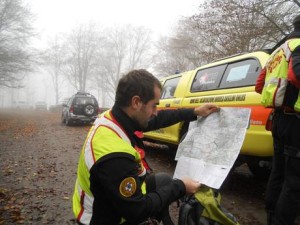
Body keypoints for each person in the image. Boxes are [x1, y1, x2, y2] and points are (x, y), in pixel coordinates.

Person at [72, 69, 219, 225]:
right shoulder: (115, 156)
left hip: (108, 201)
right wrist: (181, 186)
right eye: (154, 106)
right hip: (103, 219)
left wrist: (194, 112)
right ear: (136, 102)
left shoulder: (113, 117)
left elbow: (158, 119)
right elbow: (138, 211)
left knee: (163, 180)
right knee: (171, 187)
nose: (156, 112)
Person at [255, 15, 300, 225]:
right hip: (295, 121)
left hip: (279, 119)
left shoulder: (277, 51)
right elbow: (297, 75)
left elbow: (259, 85)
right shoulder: (298, 45)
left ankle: (271, 216)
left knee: (278, 172)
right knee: (294, 182)